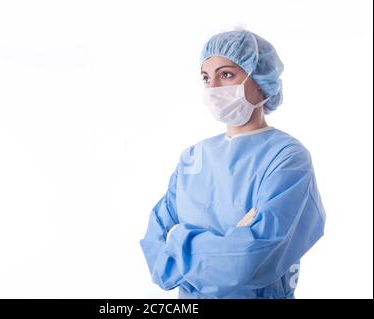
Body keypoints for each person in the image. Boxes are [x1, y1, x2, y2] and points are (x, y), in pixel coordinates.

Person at [139, 29, 326, 299]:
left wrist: (178, 241)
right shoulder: (194, 158)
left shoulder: (286, 157)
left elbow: (248, 263)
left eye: (226, 75)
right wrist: (228, 242)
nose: (213, 88)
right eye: (206, 77)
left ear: (260, 81)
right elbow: (156, 251)